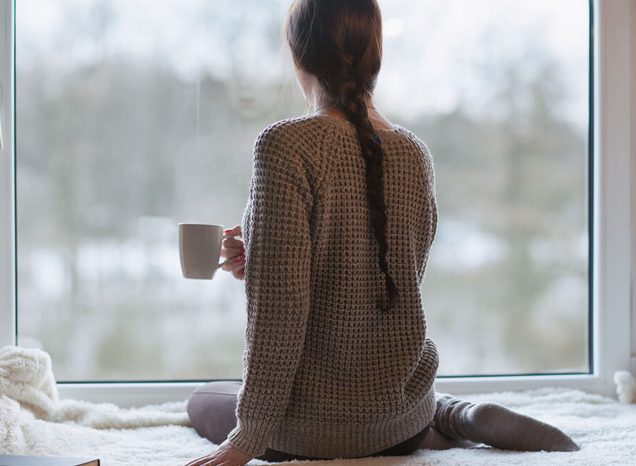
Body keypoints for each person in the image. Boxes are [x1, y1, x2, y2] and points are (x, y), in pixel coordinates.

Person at [185, 1, 580, 464]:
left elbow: (280, 314)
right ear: (375, 56)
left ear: (299, 55)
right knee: (401, 403)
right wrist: (264, 260)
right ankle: (451, 412)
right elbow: (387, 286)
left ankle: (445, 412)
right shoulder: (414, 153)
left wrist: (245, 439)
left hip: (315, 430)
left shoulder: (284, 145)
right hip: (401, 423)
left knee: (203, 399)